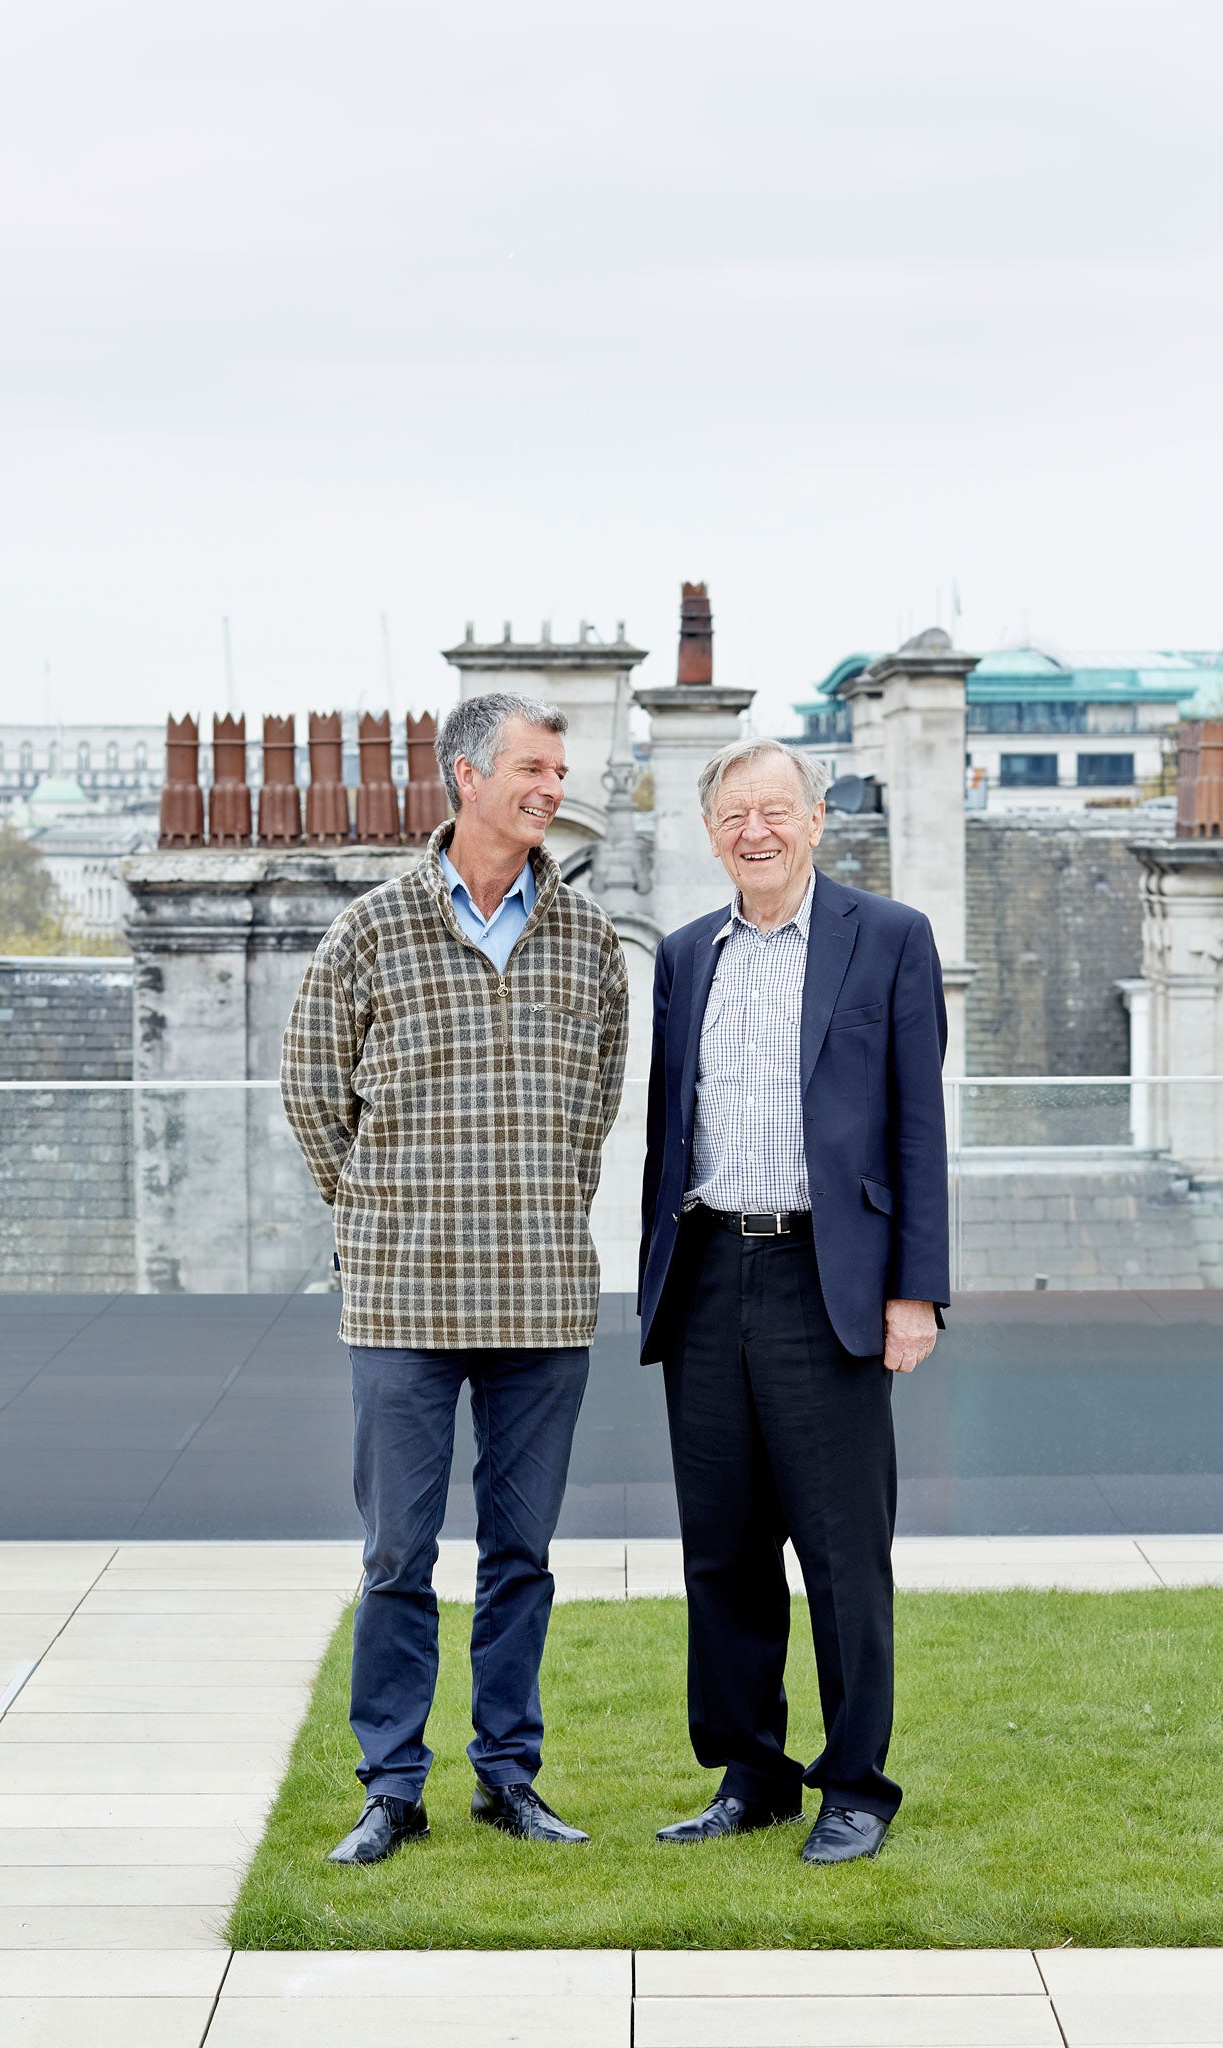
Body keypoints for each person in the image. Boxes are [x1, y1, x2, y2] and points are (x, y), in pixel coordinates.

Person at [282, 691, 629, 1865]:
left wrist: (536, 1203)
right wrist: (381, 1213)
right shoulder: (370, 930)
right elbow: (312, 1092)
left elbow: (595, 1108)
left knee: (523, 1556)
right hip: (400, 1302)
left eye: (559, 767)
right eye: (534, 765)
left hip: (541, 1296)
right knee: (397, 1558)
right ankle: (390, 1785)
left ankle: (507, 1777)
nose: (553, 784)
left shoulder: (586, 939)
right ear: (466, 777)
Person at [639, 737, 949, 1865]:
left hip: (834, 1281)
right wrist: (657, 1286)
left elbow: (919, 1127)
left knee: (840, 1547)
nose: (755, 830)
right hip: (711, 1273)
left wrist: (914, 1289)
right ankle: (751, 1772)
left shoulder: (891, 940)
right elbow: (674, 1131)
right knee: (721, 1546)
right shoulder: (685, 955)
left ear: (817, 821)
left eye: (776, 809)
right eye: (734, 813)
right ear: (711, 831)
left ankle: (856, 1783)